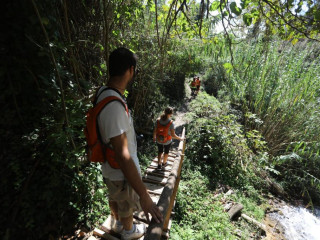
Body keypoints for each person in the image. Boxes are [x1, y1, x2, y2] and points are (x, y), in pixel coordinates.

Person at [96, 47, 163, 240]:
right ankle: (127, 231)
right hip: (120, 170)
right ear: (130, 70)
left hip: (109, 167)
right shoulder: (114, 106)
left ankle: (117, 224)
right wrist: (144, 195)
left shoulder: (103, 93)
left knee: (115, 196)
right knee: (125, 201)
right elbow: (124, 157)